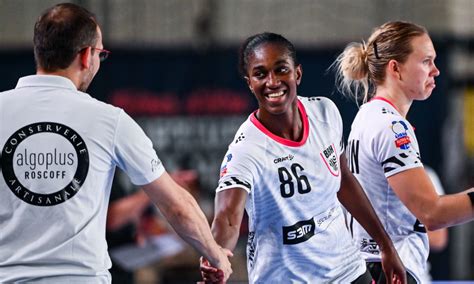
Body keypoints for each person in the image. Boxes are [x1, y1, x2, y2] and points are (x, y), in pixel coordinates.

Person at [0, 3, 231, 283]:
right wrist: (216, 257)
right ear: (86, 56)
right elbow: (176, 205)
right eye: (101, 54)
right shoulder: (109, 120)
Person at [200, 32, 406, 283]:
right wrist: (217, 255)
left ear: (297, 73)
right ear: (249, 82)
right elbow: (228, 217)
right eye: (261, 74)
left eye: (281, 69)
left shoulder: (325, 112)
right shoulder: (247, 148)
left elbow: (343, 181)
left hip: (347, 272)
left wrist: (385, 245)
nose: (272, 82)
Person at [333, 21, 474, 283]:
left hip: (373, 266)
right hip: (390, 269)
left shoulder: (368, 116)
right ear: (395, 68)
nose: (436, 70)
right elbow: (432, 213)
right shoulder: (390, 124)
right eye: (426, 62)